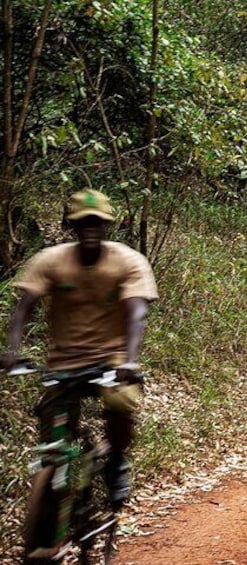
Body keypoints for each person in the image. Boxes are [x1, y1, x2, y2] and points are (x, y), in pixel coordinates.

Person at [3, 189, 158, 508]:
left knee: (120, 401)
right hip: (63, 361)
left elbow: (136, 313)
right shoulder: (51, 261)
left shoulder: (128, 261)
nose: (89, 229)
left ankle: (116, 460)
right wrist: (11, 351)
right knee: (52, 433)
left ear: (106, 227)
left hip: (112, 358)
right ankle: (54, 504)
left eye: (96, 223)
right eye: (81, 223)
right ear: (70, 226)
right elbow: (23, 308)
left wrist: (129, 362)